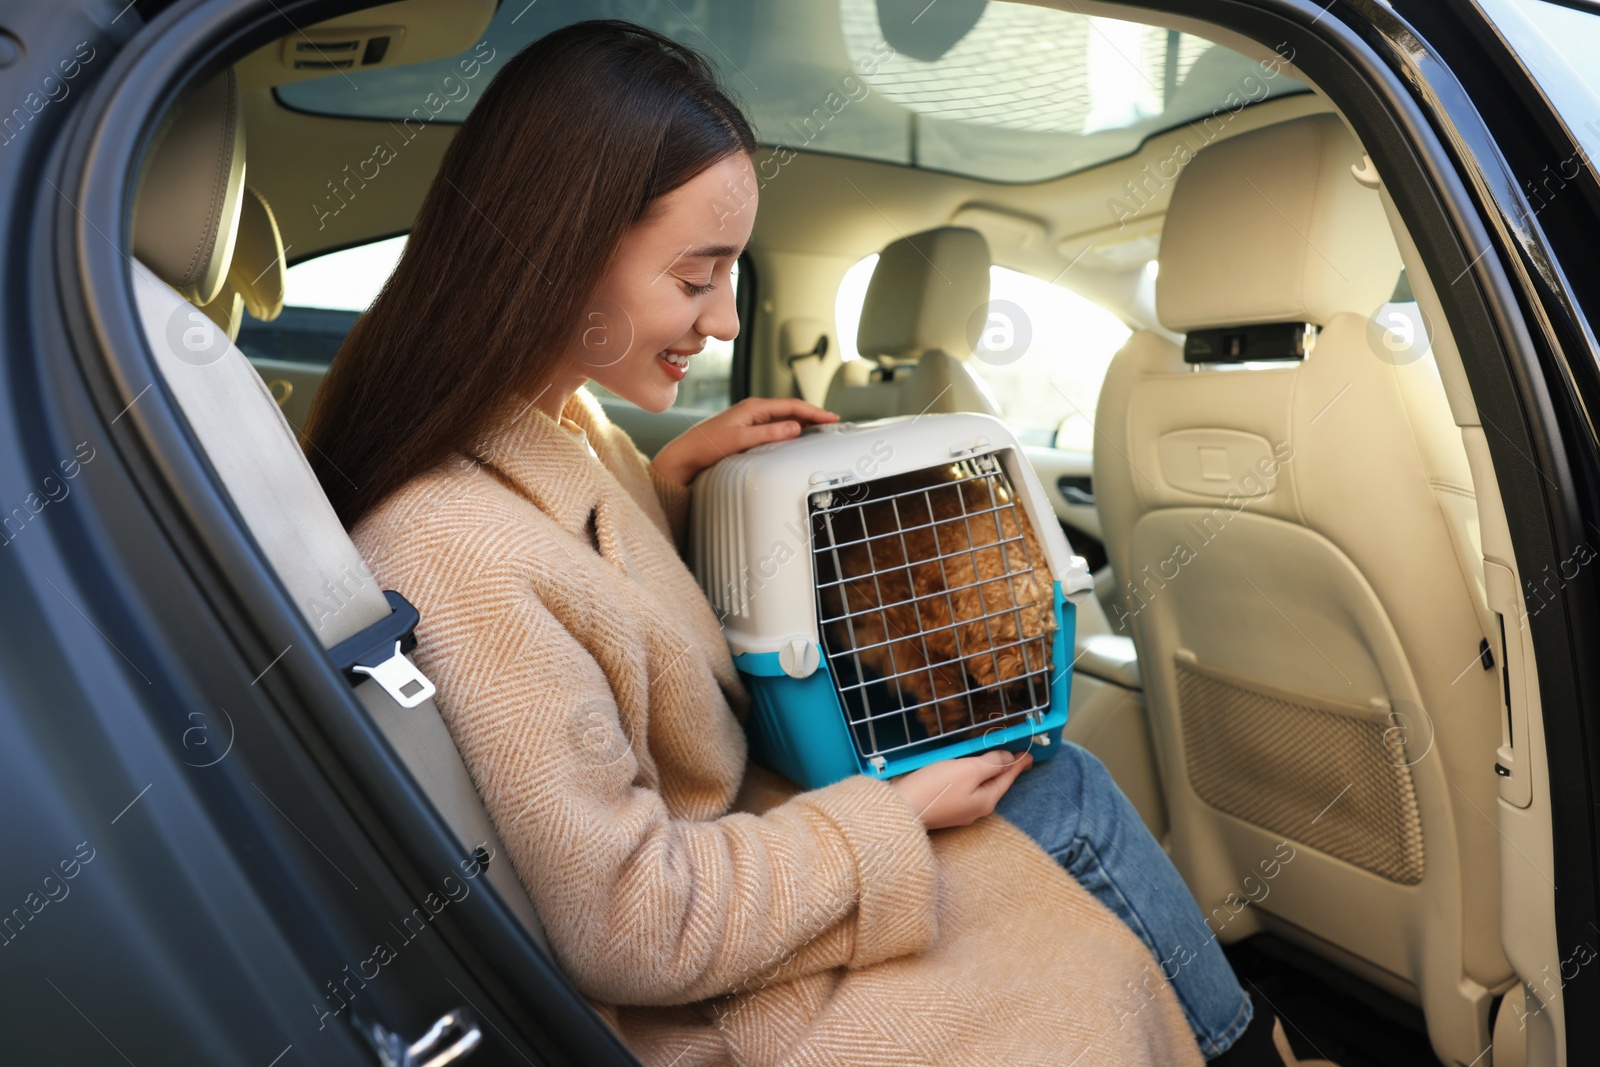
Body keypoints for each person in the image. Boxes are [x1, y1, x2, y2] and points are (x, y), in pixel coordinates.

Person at [303, 19, 1326, 1067]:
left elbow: (599, 611)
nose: (725, 320)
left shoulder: (562, 433)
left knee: (1057, 783)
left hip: (743, 847)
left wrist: (666, 492)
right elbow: (633, 925)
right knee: (1061, 836)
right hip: (710, 1006)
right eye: (696, 276)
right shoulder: (448, 548)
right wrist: (891, 810)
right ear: (556, 251)